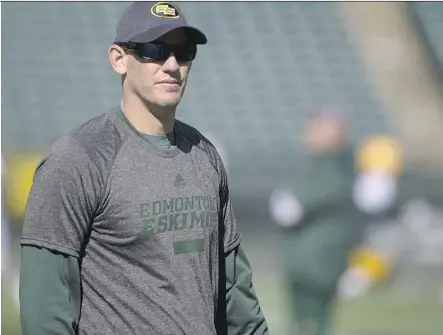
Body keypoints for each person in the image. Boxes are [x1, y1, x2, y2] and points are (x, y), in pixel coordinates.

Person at [19, 2, 269, 335]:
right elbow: (45, 311)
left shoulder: (204, 155)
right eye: (155, 50)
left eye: (183, 51)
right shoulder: (77, 159)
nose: (172, 65)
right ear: (118, 59)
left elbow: (235, 293)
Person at [269, 111, 359, 335]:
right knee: (303, 321)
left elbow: (296, 206)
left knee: (315, 320)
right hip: (306, 259)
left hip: (318, 261)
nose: (308, 135)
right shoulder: (324, 165)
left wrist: (291, 202)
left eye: (316, 129)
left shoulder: (337, 168)